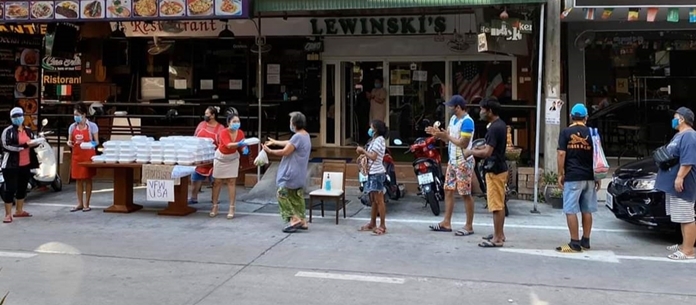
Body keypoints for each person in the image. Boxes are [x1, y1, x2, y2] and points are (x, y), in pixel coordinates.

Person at [426, 95, 476, 236]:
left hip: (463, 161)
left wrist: (446, 137)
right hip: (453, 161)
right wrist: (437, 134)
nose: (449, 108)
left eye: (451, 106)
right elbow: (448, 137)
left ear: (458, 107)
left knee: (465, 193)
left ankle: (469, 225)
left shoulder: (467, 122)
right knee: (448, 189)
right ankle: (446, 222)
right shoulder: (454, 119)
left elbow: (463, 143)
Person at [463, 98, 508, 248]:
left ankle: (497, 238)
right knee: (499, 203)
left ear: (489, 111)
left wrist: (471, 151)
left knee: (496, 205)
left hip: (495, 170)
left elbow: (488, 152)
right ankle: (499, 233)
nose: (480, 112)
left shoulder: (495, 128)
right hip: (499, 167)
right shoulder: (500, 124)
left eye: (482, 109)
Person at [556, 104, 599, 253]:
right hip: (589, 176)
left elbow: (561, 154)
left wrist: (560, 173)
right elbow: (597, 156)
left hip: (573, 176)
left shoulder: (566, 132)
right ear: (586, 117)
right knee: (587, 210)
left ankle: (574, 243)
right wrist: (597, 176)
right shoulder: (593, 133)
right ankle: (585, 241)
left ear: (571, 117)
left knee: (570, 209)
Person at [656, 107, 696, 260]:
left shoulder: (690, 136)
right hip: (674, 185)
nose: (673, 120)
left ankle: (688, 251)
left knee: (687, 217)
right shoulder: (679, 135)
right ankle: (684, 244)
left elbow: (688, 161)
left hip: (684, 184)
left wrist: (680, 177)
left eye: (675, 117)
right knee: (681, 217)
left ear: (682, 119)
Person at [263, 112, 312, 233]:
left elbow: (285, 151)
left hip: (290, 173)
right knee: (296, 196)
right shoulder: (305, 135)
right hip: (300, 173)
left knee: (282, 194)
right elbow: (290, 143)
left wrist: (270, 151)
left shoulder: (297, 137)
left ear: (294, 124)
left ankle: (294, 218)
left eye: (291, 122)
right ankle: (303, 220)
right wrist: (275, 142)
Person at [2, 107, 40, 223]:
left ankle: (19, 210)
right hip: (11, 165)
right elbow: (6, 146)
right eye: (15, 117)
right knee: (10, 189)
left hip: (26, 163)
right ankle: (8, 214)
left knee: (22, 187)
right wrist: (23, 146)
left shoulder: (28, 130)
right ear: (11, 118)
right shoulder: (8, 131)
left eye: (19, 116)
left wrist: (37, 143)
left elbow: (32, 142)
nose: (18, 118)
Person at [210, 113, 248, 219]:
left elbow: (242, 144)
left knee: (231, 182)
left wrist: (244, 148)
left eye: (238, 121)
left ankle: (232, 207)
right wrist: (239, 144)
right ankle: (214, 206)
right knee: (217, 182)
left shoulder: (240, 132)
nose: (237, 124)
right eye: (234, 122)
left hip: (233, 158)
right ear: (228, 123)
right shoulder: (223, 132)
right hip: (221, 158)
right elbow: (228, 144)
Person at [356, 120, 388, 235]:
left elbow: (374, 157)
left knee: (379, 200)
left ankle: (382, 225)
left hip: (377, 173)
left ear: (376, 129)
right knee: (373, 200)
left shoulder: (379, 140)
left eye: (371, 127)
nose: (369, 129)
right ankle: (372, 223)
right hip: (372, 173)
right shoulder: (374, 140)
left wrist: (362, 150)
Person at [67, 103, 99, 212]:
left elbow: (96, 141)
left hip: (88, 156)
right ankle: (79, 203)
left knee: (88, 179)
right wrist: (69, 143)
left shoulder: (92, 126)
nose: (76, 117)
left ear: (84, 114)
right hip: (77, 156)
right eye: (74, 114)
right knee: (78, 180)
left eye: (78, 114)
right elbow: (69, 140)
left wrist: (90, 144)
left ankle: (87, 204)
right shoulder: (72, 127)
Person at [189, 106, 224, 204]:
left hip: (214, 159)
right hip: (200, 158)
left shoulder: (220, 128)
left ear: (213, 115)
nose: (205, 116)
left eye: (207, 114)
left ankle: (214, 199)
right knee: (195, 178)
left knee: (215, 181)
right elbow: (195, 137)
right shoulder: (201, 124)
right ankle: (193, 198)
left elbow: (222, 144)